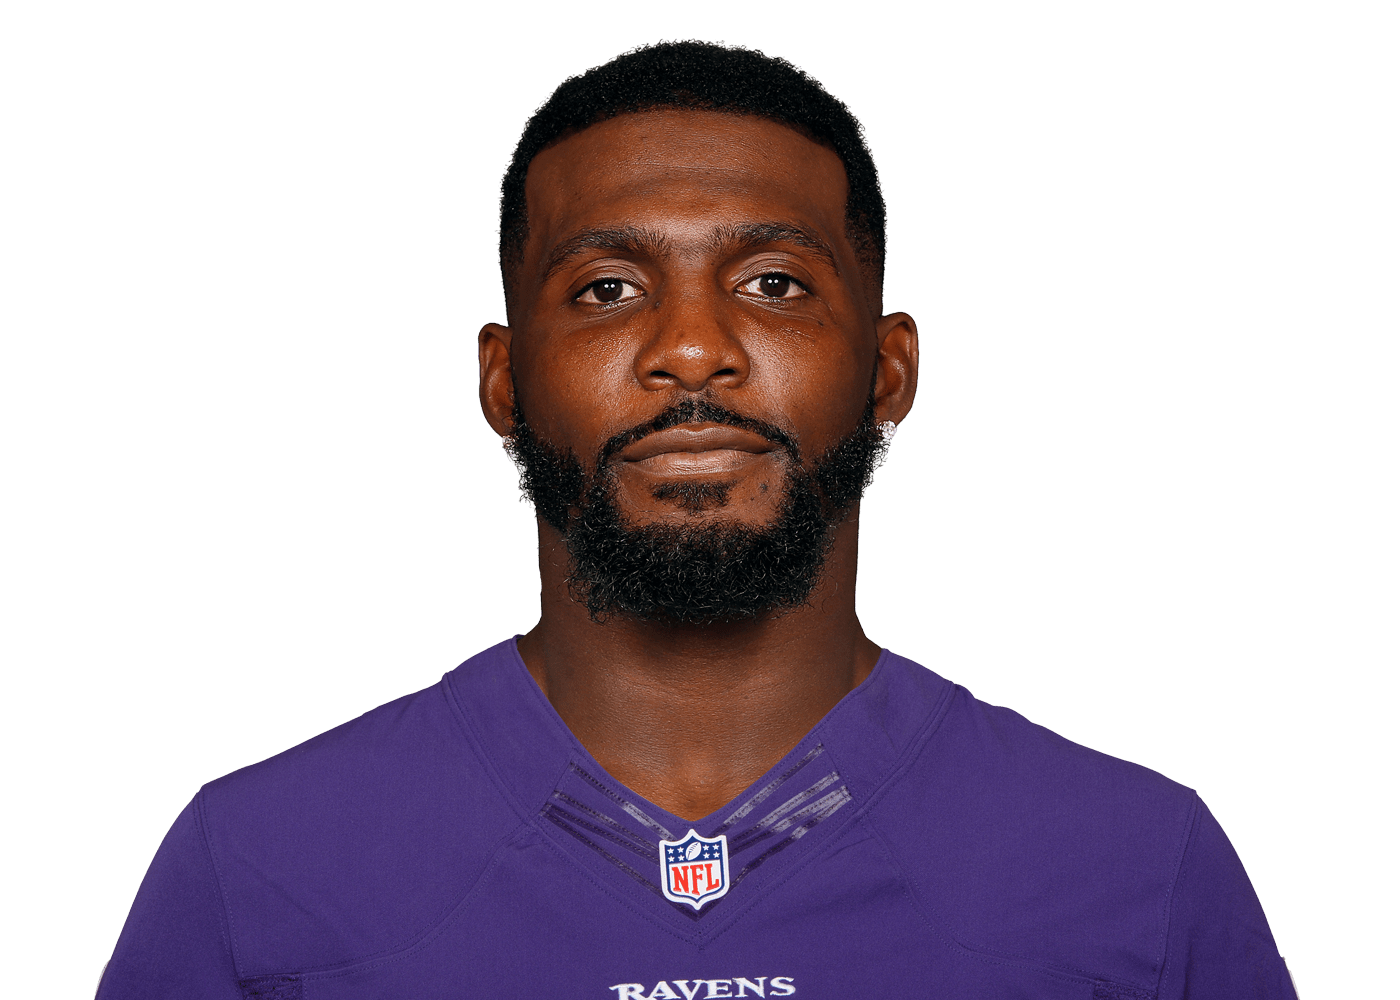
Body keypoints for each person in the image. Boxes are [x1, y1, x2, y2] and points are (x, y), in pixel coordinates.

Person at [98, 41, 1297, 999]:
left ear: (887, 368)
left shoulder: (1137, 866)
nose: (689, 348)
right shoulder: (257, 869)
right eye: (605, 288)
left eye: (773, 283)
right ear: (502, 379)